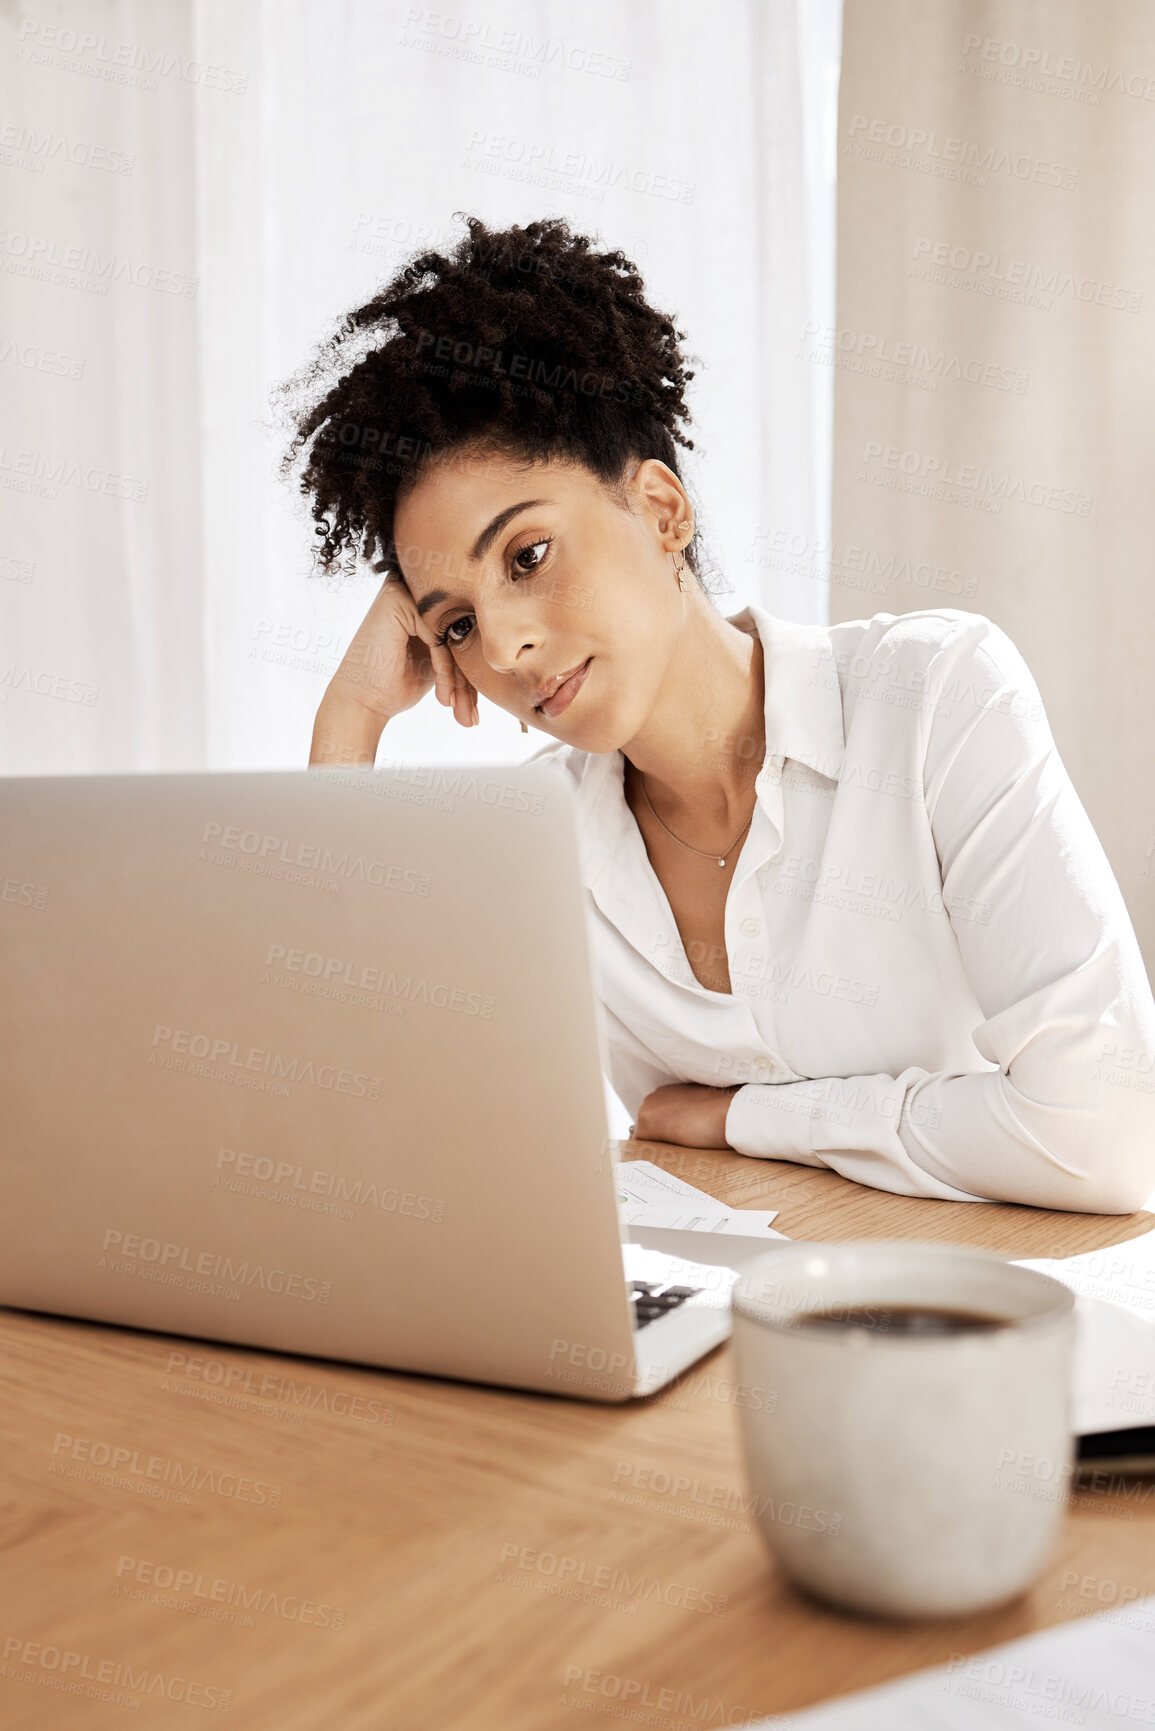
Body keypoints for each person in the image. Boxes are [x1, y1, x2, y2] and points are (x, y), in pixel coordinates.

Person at [281, 214, 1155, 1214]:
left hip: (969, 1323)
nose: (507, 647)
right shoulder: (537, 841)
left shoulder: (935, 700)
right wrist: (348, 726)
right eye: (459, 623)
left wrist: (745, 1116)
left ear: (661, 511)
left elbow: (1111, 1134)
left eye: (527, 556)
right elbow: (360, 1135)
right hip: (711, 1332)